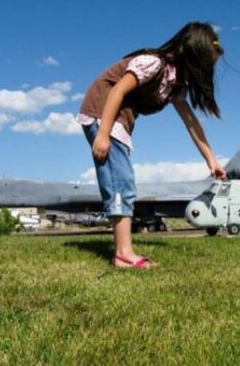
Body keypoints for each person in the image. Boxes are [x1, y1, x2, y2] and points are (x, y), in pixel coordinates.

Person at [78, 22, 226, 269]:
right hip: (102, 113)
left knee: (123, 180)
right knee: (119, 181)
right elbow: (116, 91)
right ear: (192, 53)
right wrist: (102, 134)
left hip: (118, 120)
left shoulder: (176, 84)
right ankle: (123, 255)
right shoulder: (153, 63)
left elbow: (191, 122)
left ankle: (123, 252)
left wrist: (211, 159)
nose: (206, 69)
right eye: (205, 62)